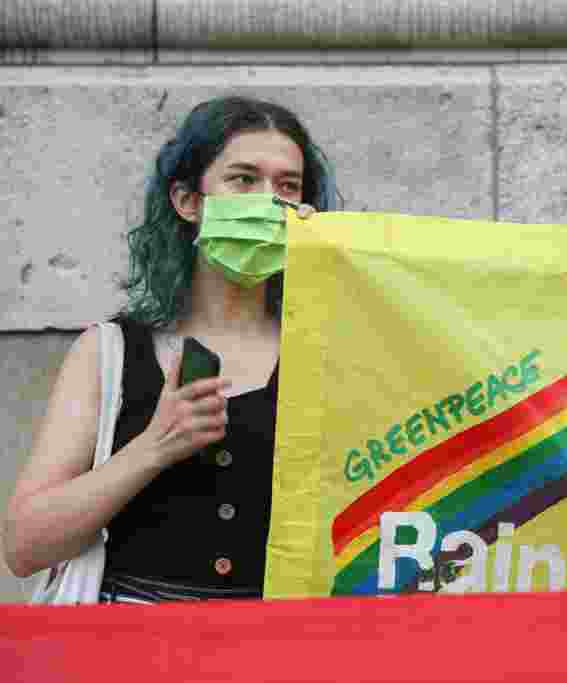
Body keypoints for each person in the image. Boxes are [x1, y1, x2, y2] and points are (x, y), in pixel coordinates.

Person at [4, 96, 341, 602]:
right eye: (244, 180)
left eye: (288, 186)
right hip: (129, 649)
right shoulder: (109, 353)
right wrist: (154, 446)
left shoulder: (332, 351)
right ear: (188, 201)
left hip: (284, 645)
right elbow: (24, 547)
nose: (269, 201)